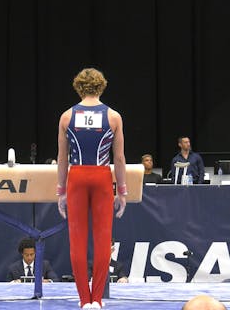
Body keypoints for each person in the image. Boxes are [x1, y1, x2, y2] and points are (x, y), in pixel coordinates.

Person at [56, 68, 127, 309]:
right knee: (103, 238)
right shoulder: (114, 117)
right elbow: (119, 159)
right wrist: (123, 191)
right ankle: (97, 299)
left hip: (76, 177)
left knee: (77, 240)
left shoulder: (66, 117)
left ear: (78, 87)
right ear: (101, 86)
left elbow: (62, 158)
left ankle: (83, 300)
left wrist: (60, 192)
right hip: (102, 177)